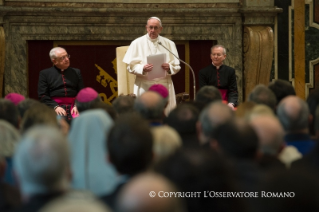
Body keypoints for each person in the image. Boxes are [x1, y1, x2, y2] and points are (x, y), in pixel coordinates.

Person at [123, 17, 181, 114]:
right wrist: (142, 68)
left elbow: (177, 66)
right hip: (144, 85)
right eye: (150, 27)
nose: (152, 30)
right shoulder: (136, 43)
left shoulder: (169, 43)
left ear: (160, 29)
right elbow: (130, 67)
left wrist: (169, 68)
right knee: (144, 113)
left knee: (165, 113)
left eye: (155, 28)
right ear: (146, 28)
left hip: (164, 84)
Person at [38, 47, 84, 123]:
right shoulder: (45, 74)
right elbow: (43, 95)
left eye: (67, 56)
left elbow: (81, 92)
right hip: (54, 106)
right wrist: (55, 107)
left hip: (74, 106)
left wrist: (77, 105)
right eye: (63, 58)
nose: (66, 59)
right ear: (54, 61)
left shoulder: (76, 72)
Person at [198, 45, 238, 109]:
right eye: (213, 54)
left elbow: (233, 91)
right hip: (209, 103)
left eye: (218, 55)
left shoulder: (230, 71)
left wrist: (231, 103)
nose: (215, 57)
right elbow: (204, 92)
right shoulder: (203, 72)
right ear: (210, 56)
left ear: (224, 56)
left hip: (227, 103)